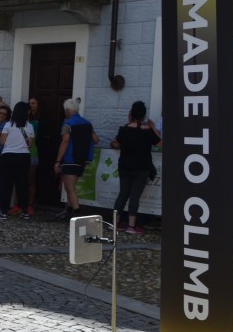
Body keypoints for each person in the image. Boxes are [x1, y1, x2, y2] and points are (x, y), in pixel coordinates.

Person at [110, 101, 161, 234]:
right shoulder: (147, 130)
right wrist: (153, 128)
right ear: (143, 115)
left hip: (124, 166)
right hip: (141, 167)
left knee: (122, 194)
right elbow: (160, 143)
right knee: (134, 196)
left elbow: (116, 142)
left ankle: (115, 223)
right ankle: (131, 226)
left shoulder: (123, 129)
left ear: (131, 113)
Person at [53, 98, 99, 219]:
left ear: (67, 111)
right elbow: (96, 140)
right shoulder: (88, 123)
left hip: (70, 159)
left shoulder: (67, 124)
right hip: (82, 160)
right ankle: (68, 211)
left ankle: (78, 215)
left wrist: (57, 161)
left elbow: (65, 142)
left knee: (70, 188)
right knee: (70, 187)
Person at [0, 102, 35, 220]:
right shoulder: (30, 126)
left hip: (8, 156)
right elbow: (30, 144)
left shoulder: (8, 125)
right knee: (22, 184)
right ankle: (25, 211)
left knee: (6, 184)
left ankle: (4, 211)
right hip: (23, 156)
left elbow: (2, 142)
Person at [24, 96, 42, 216]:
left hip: (32, 152)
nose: (31, 105)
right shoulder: (26, 120)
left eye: (34, 103)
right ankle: (21, 203)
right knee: (22, 179)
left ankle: (30, 204)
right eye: (30, 103)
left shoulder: (36, 122)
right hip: (22, 152)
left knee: (30, 179)